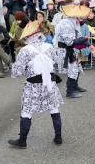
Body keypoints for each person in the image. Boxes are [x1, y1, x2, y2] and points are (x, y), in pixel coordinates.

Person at [8, 21, 64, 149]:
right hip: (49, 83)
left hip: (32, 85)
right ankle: (58, 137)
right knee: (54, 109)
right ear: (40, 35)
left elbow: (17, 72)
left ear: (28, 37)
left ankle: (22, 140)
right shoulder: (49, 47)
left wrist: (15, 68)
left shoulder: (25, 50)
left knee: (27, 111)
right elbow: (58, 62)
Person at [54, 4, 91, 98]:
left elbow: (78, 38)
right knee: (72, 70)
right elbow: (70, 42)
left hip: (72, 49)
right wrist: (84, 40)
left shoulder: (74, 22)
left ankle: (75, 86)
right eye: (80, 16)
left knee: (77, 69)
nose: (82, 17)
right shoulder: (66, 23)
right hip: (66, 50)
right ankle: (69, 91)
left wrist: (88, 45)